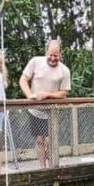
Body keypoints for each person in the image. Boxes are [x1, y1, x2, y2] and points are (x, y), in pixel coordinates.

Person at [19, 40, 71, 168]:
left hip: (52, 112)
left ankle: (52, 166)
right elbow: (23, 80)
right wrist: (30, 96)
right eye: (51, 55)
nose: (53, 58)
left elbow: (63, 93)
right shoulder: (35, 61)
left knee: (49, 141)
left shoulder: (64, 70)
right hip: (35, 110)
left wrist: (47, 94)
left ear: (60, 54)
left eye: (56, 55)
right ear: (46, 51)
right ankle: (42, 168)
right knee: (39, 140)